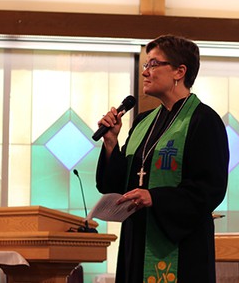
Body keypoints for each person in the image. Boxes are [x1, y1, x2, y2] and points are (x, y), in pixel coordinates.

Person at [95, 35, 229, 283]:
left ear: (179, 71)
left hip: (180, 248)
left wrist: (155, 197)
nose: (145, 72)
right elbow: (114, 186)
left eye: (153, 64)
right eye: (145, 65)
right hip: (137, 241)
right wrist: (111, 143)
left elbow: (210, 189)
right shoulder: (143, 122)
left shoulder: (203, 121)